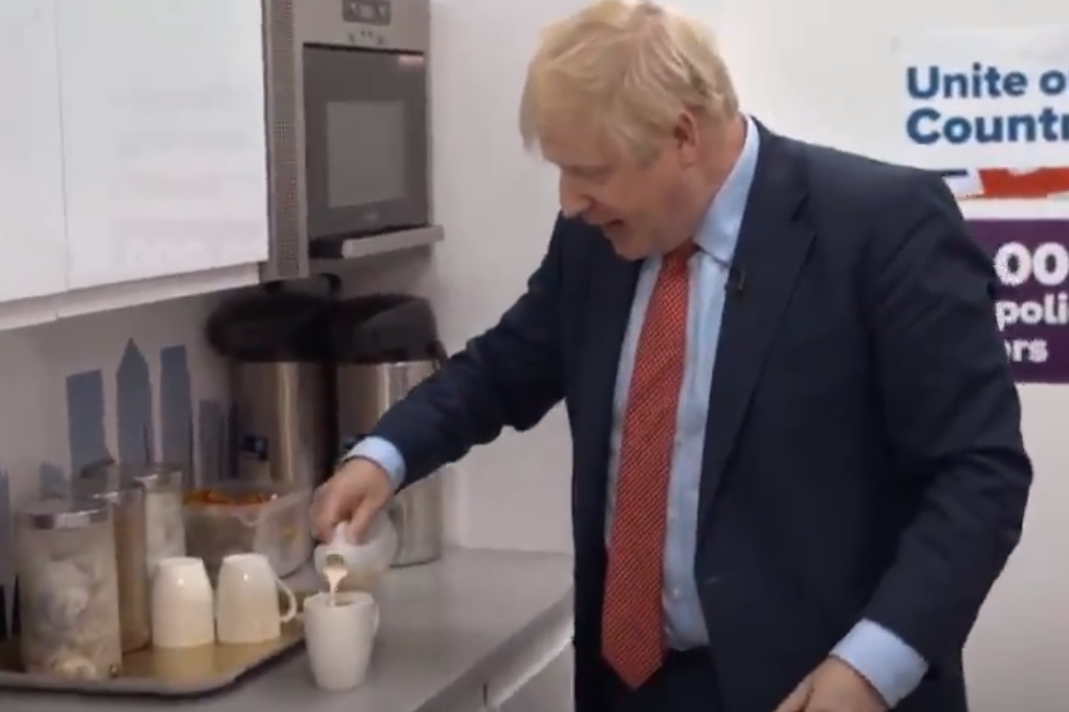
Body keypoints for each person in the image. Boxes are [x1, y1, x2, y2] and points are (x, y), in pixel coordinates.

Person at [311, 1, 1033, 711]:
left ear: (681, 136)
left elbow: (977, 477)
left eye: (589, 170)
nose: (569, 201)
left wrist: (873, 668)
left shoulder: (881, 227)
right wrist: (385, 454)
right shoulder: (600, 239)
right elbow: (504, 367)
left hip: (822, 683)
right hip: (633, 684)